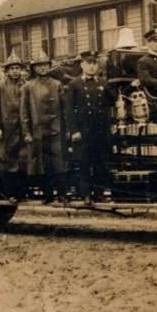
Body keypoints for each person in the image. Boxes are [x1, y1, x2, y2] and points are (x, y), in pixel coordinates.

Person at [65, 49, 112, 204]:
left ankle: (98, 193)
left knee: (99, 162)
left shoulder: (103, 83)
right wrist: (74, 130)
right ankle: (85, 194)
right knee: (84, 162)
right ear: (82, 65)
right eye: (89, 63)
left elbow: (111, 103)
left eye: (94, 63)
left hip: (100, 130)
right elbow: (69, 110)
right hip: (83, 130)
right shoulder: (74, 84)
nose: (92, 67)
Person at [21, 51, 67, 204]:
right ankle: (47, 195)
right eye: (39, 66)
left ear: (49, 66)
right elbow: (24, 112)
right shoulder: (28, 87)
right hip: (38, 131)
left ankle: (62, 193)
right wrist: (27, 132)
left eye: (45, 65)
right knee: (44, 163)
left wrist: (66, 129)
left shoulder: (57, 84)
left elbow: (64, 108)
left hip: (56, 129)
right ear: (34, 68)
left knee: (59, 162)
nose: (42, 68)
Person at [0, 52, 28, 204]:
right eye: (12, 68)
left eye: (17, 68)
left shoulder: (25, 84)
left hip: (21, 128)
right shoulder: (0, 86)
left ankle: (21, 193)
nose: (15, 71)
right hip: (6, 130)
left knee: (22, 160)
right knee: (6, 161)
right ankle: (9, 193)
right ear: (6, 71)